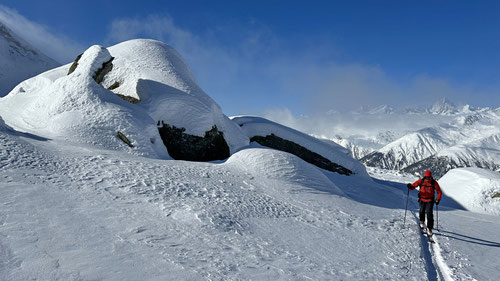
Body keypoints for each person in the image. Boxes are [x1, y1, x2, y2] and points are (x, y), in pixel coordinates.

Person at [407, 170, 442, 236]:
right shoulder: (421, 181)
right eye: (426, 177)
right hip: (422, 199)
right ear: (424, 177)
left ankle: (429, 228)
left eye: (429, 177)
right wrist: (410, 187)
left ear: (431, 177)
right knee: (422, 211)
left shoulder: (434, 183)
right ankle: (422, 221)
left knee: (429, 214)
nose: (428, 179)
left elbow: (439, 192)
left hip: (430, 200)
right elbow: (414, 186)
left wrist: (438, 199)